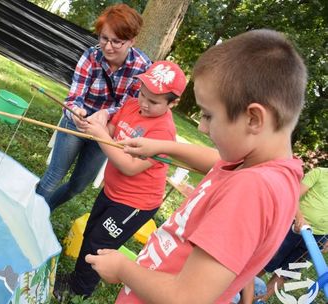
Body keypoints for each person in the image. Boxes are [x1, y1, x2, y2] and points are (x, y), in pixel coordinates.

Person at [85, 29, 308, 303]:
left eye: (208, 115)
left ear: (253, 119)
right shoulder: (267, 168)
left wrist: (123, 268)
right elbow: (219, 162)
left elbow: (187, 297)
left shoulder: (252, 189)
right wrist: (163, 147)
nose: (201, 127)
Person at [53, 61, 186, 300]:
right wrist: (97, 124)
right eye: (142, 94)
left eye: (154, 101)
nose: (143, 103)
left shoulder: (163, 134)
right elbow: (113, 129)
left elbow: (130, 167)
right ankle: (77, 279)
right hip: (112, 191)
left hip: (136, 204)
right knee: (91, 232)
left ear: (172, 104)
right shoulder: (133, 104)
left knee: (99, 243)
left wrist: (101, 135)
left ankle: (79, 289)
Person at [35, 4, 151, 210]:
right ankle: (27, 213)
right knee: (53, 177)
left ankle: (44, 212)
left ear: (132, 41)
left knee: (78, 186)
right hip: (78, 122)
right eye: (104, 38)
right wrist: (76, 113)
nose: (108, 47)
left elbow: (131, 107)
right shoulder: (90, 56)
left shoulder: (142, 66)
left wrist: (107, 114)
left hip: (107, 131)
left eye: (117, 41)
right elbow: (73, 98)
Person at [254, 167, 328, 303]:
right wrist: (299, 216)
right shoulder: (320, 173)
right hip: (294, 227)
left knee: (287, 272)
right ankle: (240, 292)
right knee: (266, 262)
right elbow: (293, 197)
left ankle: (260, 300)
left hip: (319, 237)